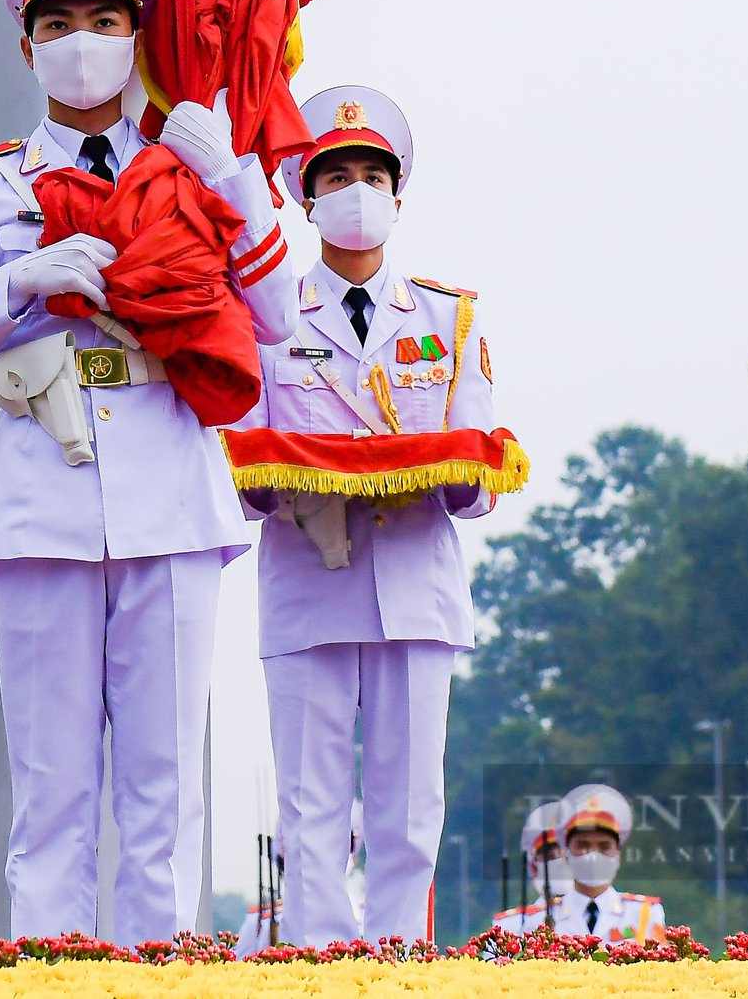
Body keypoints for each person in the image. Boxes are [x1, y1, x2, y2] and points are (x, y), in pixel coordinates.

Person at [0, 0, 297, 944]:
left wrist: (235, 182)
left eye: (106, 17)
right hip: (44, 494)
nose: (83, 38)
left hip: (168, 479)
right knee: (53, 794)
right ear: (26, 44)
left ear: (135, 35)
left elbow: (281, 319)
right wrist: (12, 282)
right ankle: (51, 971)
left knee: (165, 797)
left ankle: (160, 971)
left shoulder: (189, 160)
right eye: (60, 18)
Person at [232, 86, 500, 945]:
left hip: (416, 583)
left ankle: (400, 964)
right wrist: (307, 486)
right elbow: (237, 464)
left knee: (410, 806)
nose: (355, 190)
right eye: (335, 174)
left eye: (371, 174)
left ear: (397, 193)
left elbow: (482, 473)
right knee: (310, 806)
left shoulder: (449, 316)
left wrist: (429, 477)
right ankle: (318, 960)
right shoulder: (267, 317)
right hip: (309, 579)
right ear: (306, 197)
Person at [550, 784, 665, 942]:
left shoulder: (644, 913)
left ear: (618, 855)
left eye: (604, 846)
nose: (593, 855)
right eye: (583, 846)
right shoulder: (544, 916)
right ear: (565, 853)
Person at [491, 801, 566, 933]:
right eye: (548, 854)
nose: (559, 858)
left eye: (565, 849)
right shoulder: (512, 926)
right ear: (533, 865)